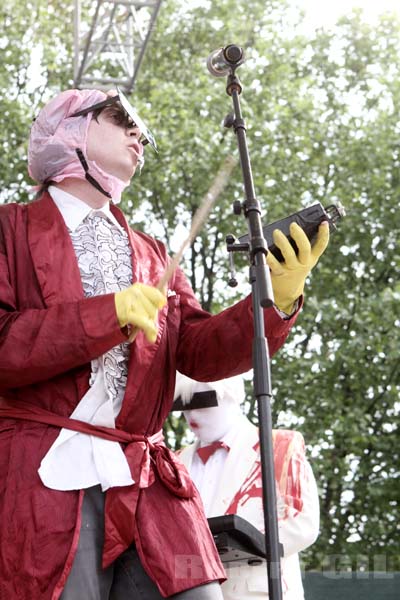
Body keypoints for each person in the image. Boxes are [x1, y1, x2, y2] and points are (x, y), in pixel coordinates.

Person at [0, 87, 328, 600]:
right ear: (69, 128)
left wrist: (273, 301)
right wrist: (104, 316)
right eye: (120, 118)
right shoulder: (9, 229)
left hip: (145, 477)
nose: (139, 134)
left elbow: (199, 350)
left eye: (142, 130)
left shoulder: (151, 252)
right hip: (43, 478)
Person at [175, 374, 320, 600]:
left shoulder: (278, 446)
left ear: (234, 395)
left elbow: (302, 523)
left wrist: (233, 546)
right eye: (182, 405)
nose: (191, 414)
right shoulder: (174, 462)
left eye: (203, 402)